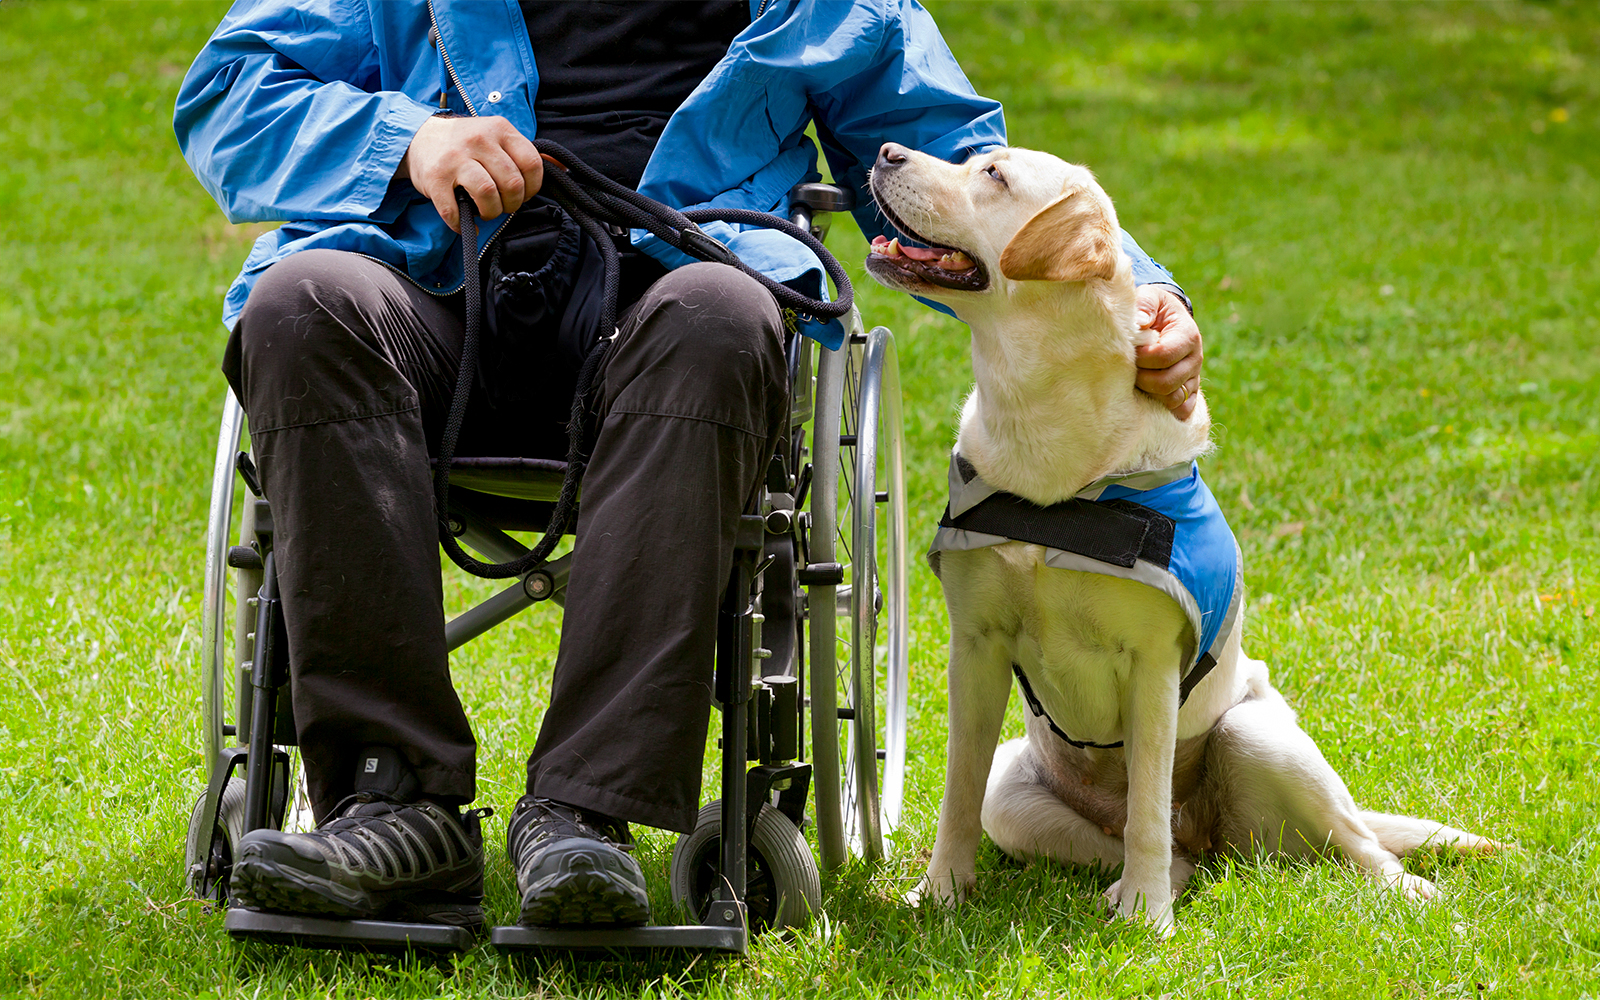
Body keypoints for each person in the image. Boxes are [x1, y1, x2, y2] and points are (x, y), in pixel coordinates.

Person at [174, 0, 1204, 933]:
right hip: (442, 298)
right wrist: (410, 139)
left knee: (722, 312)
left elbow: (962, 163)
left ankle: (585, 813)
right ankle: (391, 801)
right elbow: (230, 92)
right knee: (299, 302)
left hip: (673, 317)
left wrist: (1142, 303)